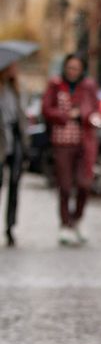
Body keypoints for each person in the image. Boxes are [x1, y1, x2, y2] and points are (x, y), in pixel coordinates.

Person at [42, 53, 101, 245]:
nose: (72, 71)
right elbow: (46, 110)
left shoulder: (88, 87)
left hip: (84, 142)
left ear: (82, 69)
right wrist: (65, 115)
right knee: (65, 186)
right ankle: (65, 224)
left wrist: (85, 115)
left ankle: (78, 219)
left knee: (84, 184)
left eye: (76, 68)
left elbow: (95, 110)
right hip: (62, 143)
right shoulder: (55, 85)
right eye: (69, 67)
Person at [0, 63, 28, 247]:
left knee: (14, 185)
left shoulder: (17, 89)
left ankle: (10, 227)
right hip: (0, 141)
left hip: (16, 141)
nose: (15, 70)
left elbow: (22, 117)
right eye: (12, 67)